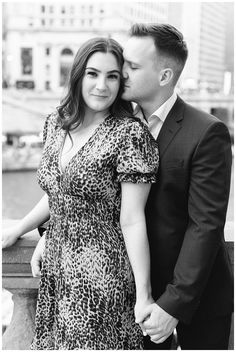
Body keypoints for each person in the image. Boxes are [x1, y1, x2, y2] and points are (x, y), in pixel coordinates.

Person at [2, 37, 159, 350]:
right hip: (56, 269)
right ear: (77, 75)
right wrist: (20, 228)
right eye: (93, 74)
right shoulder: (57, 124)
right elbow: (61, 192)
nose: (102, 85)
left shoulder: (128, 134)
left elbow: (132, 220)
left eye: (112, 76)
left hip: (102, 272)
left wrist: (144, 294)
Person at [121, 23, 233, 350]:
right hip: (132, 299)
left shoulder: (207, 132)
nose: (122, 71)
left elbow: (205, 225)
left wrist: (172, 304)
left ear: (165, 76)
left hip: (198, 302)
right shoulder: (115, 125)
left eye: (133, 66)